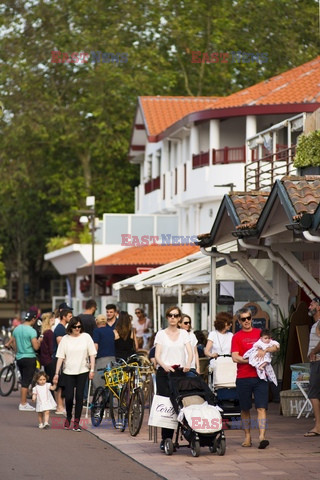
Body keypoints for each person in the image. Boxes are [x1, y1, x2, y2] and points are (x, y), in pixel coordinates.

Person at [231, 307, 279, 449]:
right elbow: (235, 357)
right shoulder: (236, 337)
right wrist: (252, 360)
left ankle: (262, 436)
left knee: (261, 408)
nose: (246, 321)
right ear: (239, 321)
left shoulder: (260, 334)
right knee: (245, 409)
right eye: (243, 319)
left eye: (248, 318)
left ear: (252, 319)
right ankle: (247, 436)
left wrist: (264, 350)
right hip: (243, 377)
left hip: (261, 377)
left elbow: (275, 347)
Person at [154, 306, 192, 451]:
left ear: (179, 318)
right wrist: (164, 365)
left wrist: (188, 364)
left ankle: (186, 433)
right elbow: (157, 354)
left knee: (182, 403)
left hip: (180, 372)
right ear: (167, 317)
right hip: (164, 373)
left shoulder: (184, 334)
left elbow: (189, 351)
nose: (173, 318)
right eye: (170, 315)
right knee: (167, 406)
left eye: (176, 316)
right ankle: (166, 438)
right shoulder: (161, 334)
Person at [53, 316, 96, 432]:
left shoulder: (86, 337)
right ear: (70, 327)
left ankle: (76, 422)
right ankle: (68, 417)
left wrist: (92, 370)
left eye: (79, 326)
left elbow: (92, 354)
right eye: (75, 327)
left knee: (79, 396)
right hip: (68, 371)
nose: (77, 329)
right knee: (69, 396)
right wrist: (56, 373)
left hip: (83, 370)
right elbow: (60, 357)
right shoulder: (65, 339)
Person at [8, 311, 41, 411]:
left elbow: (12, 343)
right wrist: (39, 342)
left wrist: (17, 350)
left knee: (23, 380)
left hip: (19, 357)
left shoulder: (17, 329)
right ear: (33, 319)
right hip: (29, 357)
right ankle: (23, 403)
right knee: (26, 382)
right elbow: (35, 346)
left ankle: (24, 402)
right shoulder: (32, 331)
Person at [304, 297, 320, 437]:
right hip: (316, 362)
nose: (309, 307)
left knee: (314, 393)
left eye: (312, 304)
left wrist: (314, 351)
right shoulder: (315, 324)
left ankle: (318, 426)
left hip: (318, 362)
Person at [53, 308, 73, 414]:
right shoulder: (60, 329)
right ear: (64, 317)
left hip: (60, 358)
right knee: (60, 384)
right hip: (58, 359)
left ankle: (60, 406)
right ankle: (60, 406)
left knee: (62, 384)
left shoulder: (62, 328)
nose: (71, 318)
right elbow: (61, 345)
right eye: (69, 316)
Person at [92, 311, 116, 390]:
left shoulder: (96, 331)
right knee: (110, 381)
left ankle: (101, 399)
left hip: (101, 359)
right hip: (112, 358)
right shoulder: (111, 331)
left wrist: (93, 357)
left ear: (97, 322)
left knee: (98, 381)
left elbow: (96, 345)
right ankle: (109, 399)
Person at [39, 312, 55, 384]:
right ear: (51, 319)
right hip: (50, 360)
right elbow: (51, 348)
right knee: (51, 381)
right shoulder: (50, 333)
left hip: (44, 360)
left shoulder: (44, 332)